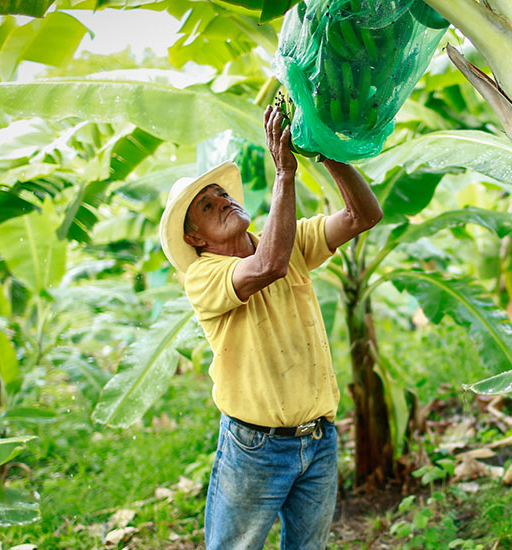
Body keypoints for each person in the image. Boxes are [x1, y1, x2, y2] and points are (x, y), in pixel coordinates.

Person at [158, 105, 382, 550]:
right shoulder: (204, 274)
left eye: (222, 193)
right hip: (255, 449)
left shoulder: (286, 239)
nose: (224, 200)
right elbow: (269, 265)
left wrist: (326, 149)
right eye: (207, 205)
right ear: (195, 239)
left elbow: (363, 216)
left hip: (319, 440)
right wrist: (284, 175)